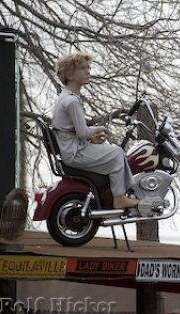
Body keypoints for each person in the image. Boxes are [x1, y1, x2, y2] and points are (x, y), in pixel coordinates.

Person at [51, 52, 138, 209]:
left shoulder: (66, 97)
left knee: (112, 151)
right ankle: (119, 197)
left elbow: (74, 132)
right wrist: (100, 128)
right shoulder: (71, 101)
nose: (88, 72)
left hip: (73, 148)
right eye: (83, 68)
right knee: (117, 153)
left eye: (89, 68)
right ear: (69, 74)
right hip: (75, 152)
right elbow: (82, 132)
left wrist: (92, 138)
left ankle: (120, 193)